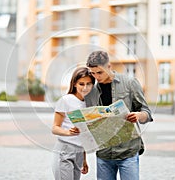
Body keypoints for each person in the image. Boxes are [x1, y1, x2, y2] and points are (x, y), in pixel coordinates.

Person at [84, 50, 153, 180]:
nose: (96, 77)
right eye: (92, 73)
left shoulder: (130, 83)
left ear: (109, 66)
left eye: (99, 72)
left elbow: (147, 113)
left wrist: (138, 115)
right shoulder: (91, 91)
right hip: (104, 154)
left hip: (128, 151)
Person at [52, 66, 95, 180]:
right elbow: (55, 128)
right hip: (65, 150)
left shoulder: (89, 104)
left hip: (79, 153)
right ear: (75, 84)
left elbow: (84, 134)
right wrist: (68, 132)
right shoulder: (66, 100)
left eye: (89, 84)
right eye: (81, 84)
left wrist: (84, 159)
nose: (85, 88)